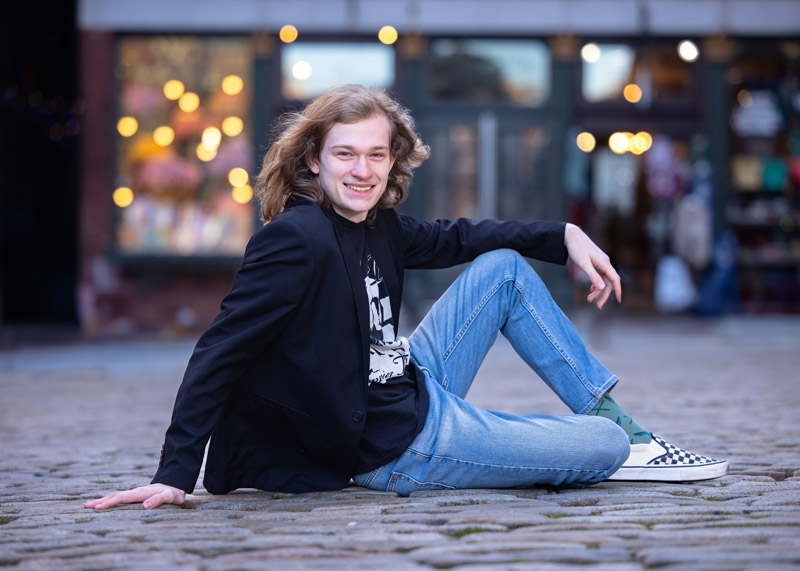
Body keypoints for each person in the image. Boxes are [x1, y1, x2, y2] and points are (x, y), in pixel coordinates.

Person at [85, 85, 727, 511]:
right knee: (600, 449)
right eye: (345, 154)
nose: (362, 170)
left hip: (411, 384)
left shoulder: (378, 226)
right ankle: (617, 441)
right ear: (313, 161)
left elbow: (461, 237)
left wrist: (563, 234)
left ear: (393, 162)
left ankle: (632, 433)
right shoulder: (296, 240)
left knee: (502, 269)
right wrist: (175, 473)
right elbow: (219, 351)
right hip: (394, 445)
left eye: (376, 155)